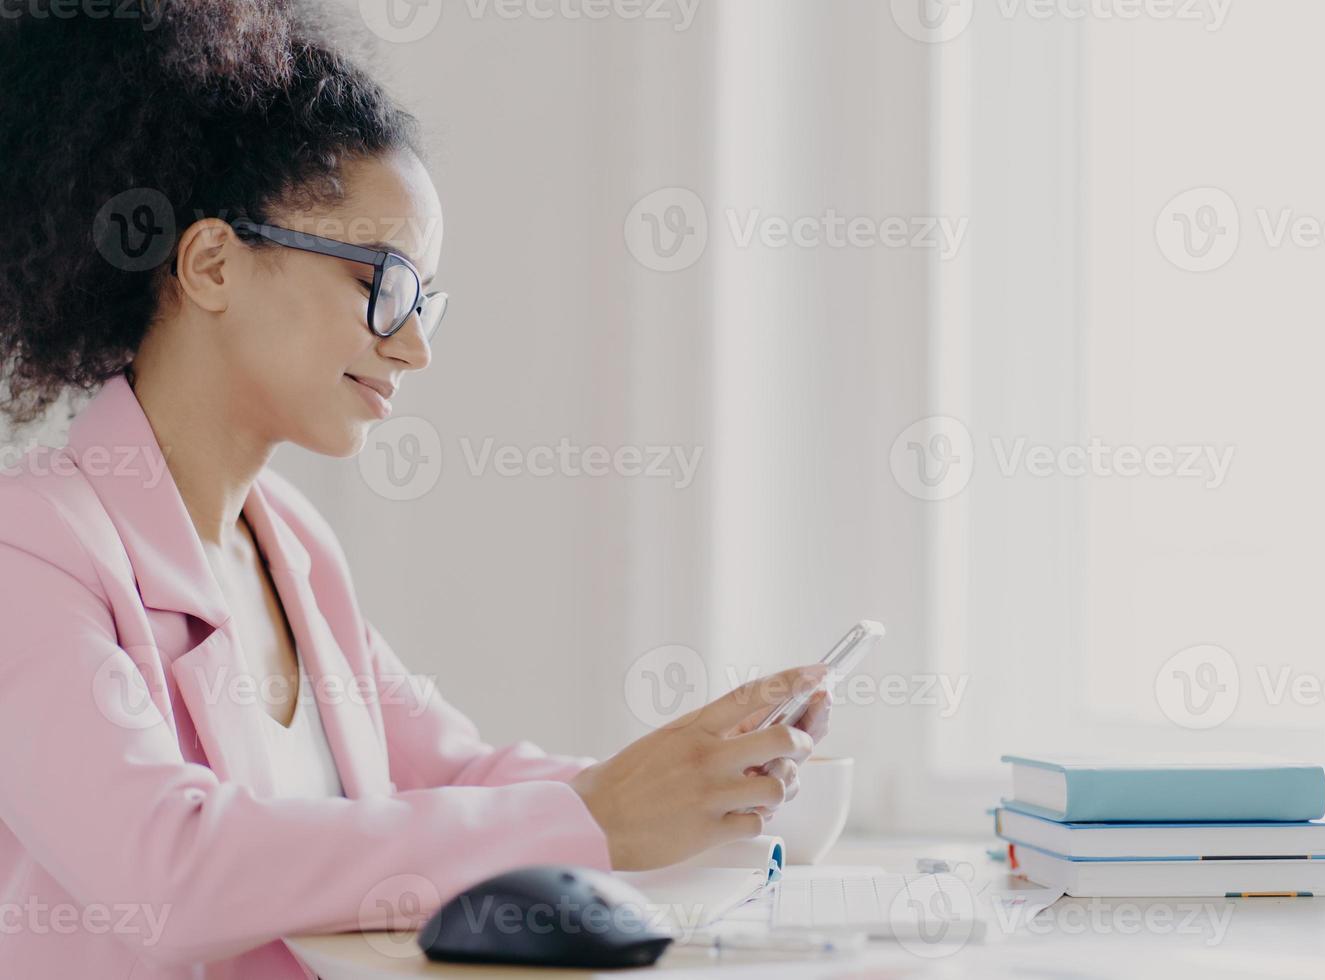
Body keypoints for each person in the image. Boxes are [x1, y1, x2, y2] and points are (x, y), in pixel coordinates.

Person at [0, 3, 831, 977]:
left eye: (426, 300)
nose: (417, 344)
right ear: (213, 262)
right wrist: (595, 815)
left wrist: (692, 773)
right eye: (383, 283)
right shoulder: (32, 551)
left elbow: (453, 776)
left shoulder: (289, 544)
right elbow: (167, 871)